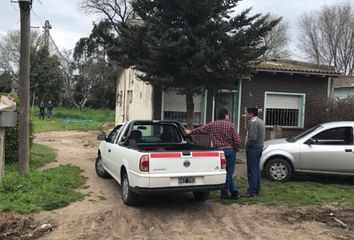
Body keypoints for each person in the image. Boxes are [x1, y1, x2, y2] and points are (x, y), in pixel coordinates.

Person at [185, 108, 241, 200]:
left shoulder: (212, 125)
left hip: (218, 152)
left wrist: (190, 131)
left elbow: (201, 130)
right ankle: (224, 194)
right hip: (230, 151)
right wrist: (236, 148)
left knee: (224, 173)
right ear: (226, 115)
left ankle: (234, 192)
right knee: (229, 173)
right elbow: (237, 140)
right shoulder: (231, 125)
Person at [245, 107, 265, 197]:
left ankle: (252, 192)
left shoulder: (254, 123)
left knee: (251, 171)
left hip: (253, 148)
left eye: (247, 113)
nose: (246, 115)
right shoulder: (261, 121)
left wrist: (247, 145)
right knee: (256, 170)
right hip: (259, 148)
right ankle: (257, 189)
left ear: (251, 114)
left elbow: (252, 138)